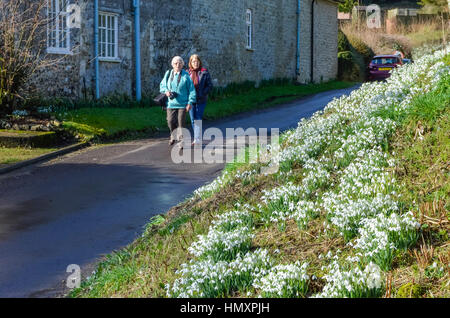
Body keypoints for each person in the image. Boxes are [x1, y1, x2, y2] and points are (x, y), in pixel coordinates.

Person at [160, 56, 197, 148]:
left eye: (180, 63)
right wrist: (166, 91)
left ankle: (181, 141)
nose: (178, 65)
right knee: (170, 121)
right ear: (172, 65)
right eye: (176, 63)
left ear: (183, 64)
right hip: (171, 103)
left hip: (182, 104)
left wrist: (190, 102)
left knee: (181, 123)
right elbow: (162, 85)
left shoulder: (186, 76)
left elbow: (192, 90)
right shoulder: (168, 74)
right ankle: (173, 135)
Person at [187, 54, 213, 146]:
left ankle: (197, 139)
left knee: (198, 117)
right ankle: (197, 138)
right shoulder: (187, 73)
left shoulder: (204, 72)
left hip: (201, 99)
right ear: (191, 63)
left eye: (197, 61)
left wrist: (202, 93)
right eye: (194, 61)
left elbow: (209, 86)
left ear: (199, 62)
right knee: (192, 119)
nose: (196, 63)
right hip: (190, 100)